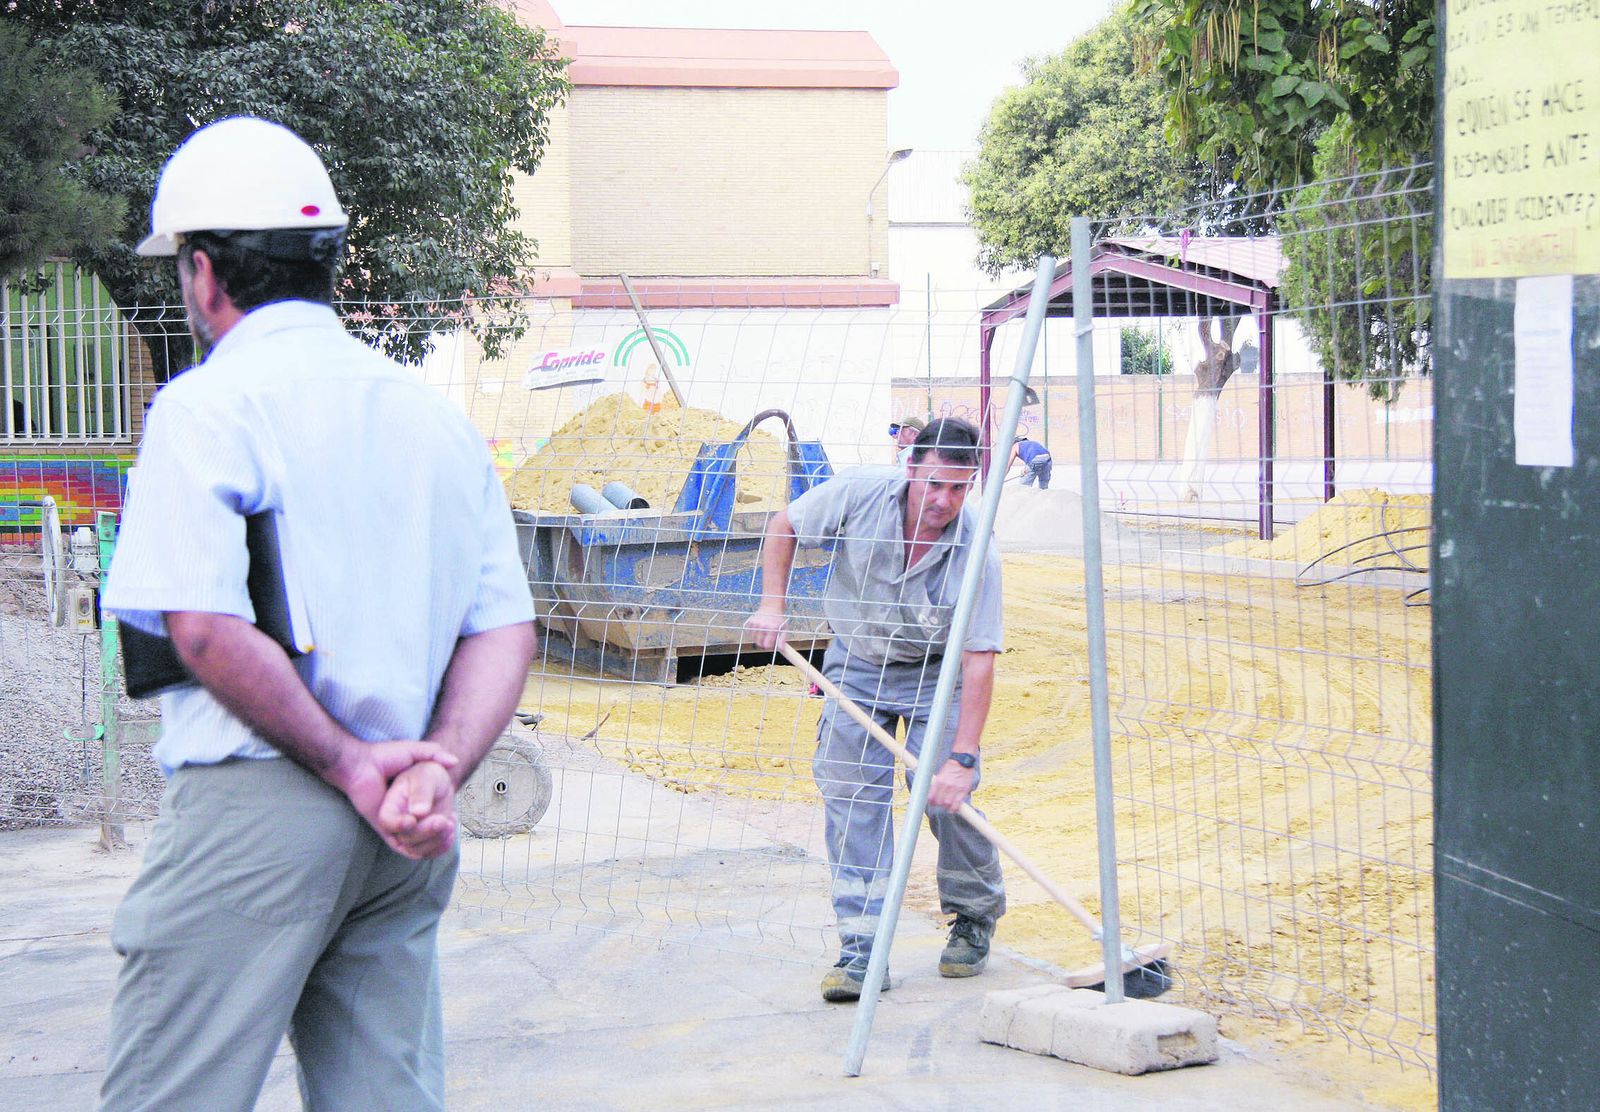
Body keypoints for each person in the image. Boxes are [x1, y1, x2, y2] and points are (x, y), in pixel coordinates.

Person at [98, 117, 537, 1111]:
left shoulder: (207, 406)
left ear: (204, 272)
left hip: (261, 800)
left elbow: (201, 627)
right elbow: (503, 627)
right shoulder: (434, 418)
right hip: (405, 824)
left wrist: (344, 762)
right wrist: (437, 767)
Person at [746, 417, 1005, 1003]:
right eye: (934, 483)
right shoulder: (860, 491)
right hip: (858, 663)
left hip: (938, 673)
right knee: (852, 797)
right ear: (911, 467)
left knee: (943, 798)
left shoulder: (977, 549)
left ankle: (973, 915)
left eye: (959, 488)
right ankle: (863, 948)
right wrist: (772, 604)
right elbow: (785, 524)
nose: (944, 500)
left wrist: (961, 760)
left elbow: (979, 660)